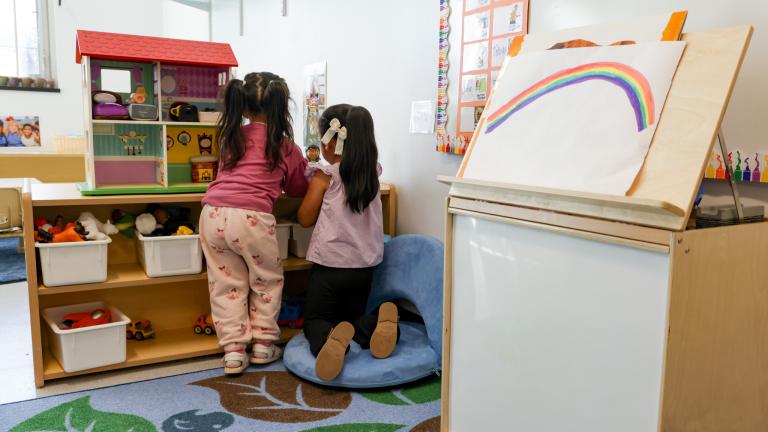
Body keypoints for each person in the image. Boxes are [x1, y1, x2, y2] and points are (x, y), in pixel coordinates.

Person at [200, 72, 309, 375]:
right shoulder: (283, 145)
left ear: (243, 107)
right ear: (281, 108)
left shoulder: (231, 138)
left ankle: (233, 351)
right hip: (252, 219)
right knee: (266, 281)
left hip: (212, 214)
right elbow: (299, 187)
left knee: (226, 284)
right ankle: (263, 344)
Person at [297, 104, 396, 381]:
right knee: (350, 321)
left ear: (330, 142)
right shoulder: (372, 174)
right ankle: (377, 323)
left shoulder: (325, 175)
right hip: (364, 270)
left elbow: (305, 218)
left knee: (316, 321)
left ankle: (328, 342)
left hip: (330, 266)